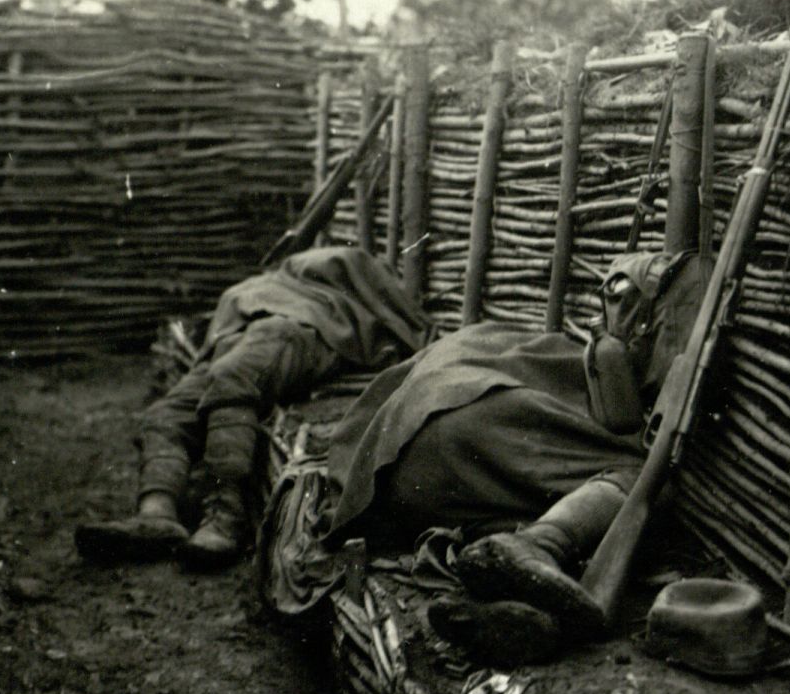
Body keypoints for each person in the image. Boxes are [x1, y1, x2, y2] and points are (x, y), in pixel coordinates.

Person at [317, 250, 712, 660]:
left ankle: (516, 612)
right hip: (458, 435)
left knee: (529, 519)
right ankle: (540, 545)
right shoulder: (597, 388)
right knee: (644, 483)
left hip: (389, 469)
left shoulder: (534, 343)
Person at [76, 247, 432, 569]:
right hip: (244, 333)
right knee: (166, 413)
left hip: (290, 330)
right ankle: (156, 512)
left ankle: (225, 517)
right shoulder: (276, 282)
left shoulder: (349, 277)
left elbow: (387, 315)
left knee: (234, 380)